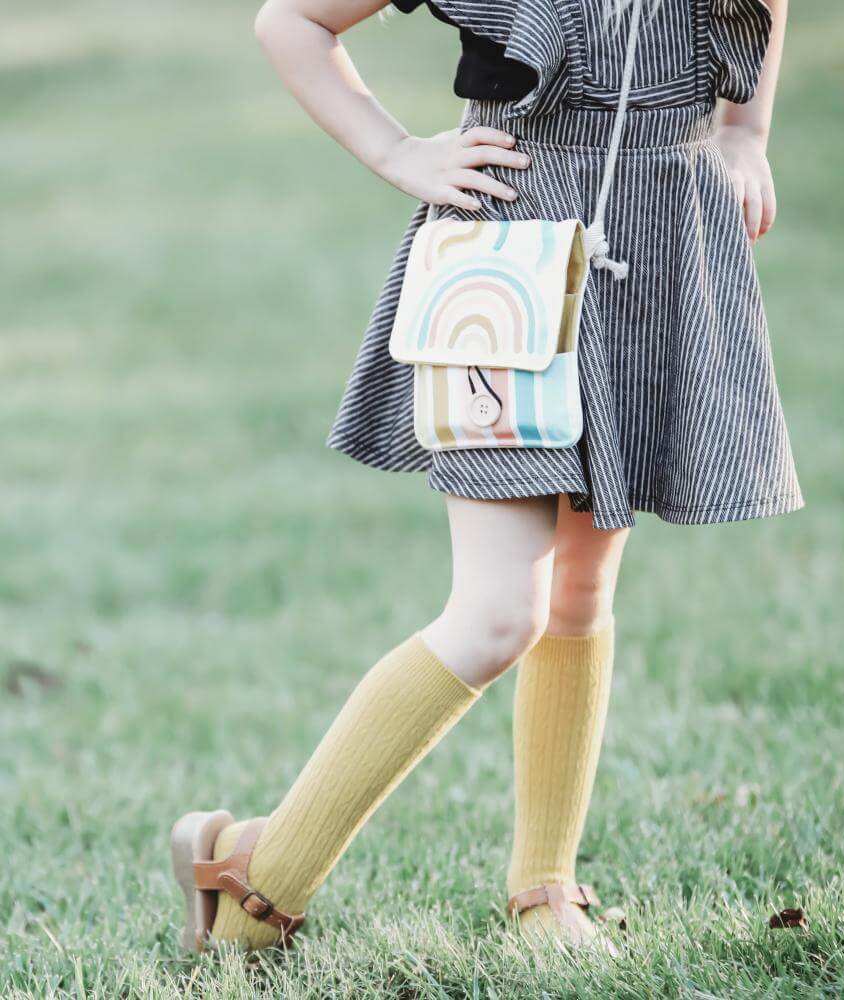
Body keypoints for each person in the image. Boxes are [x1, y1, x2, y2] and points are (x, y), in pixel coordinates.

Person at [170, 0, 801, 953]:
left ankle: (544, 893)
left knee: (582, 594)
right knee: (501, 613)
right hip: (507, 260)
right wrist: (396, 151)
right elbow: (291, 21)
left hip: (656, 248)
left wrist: (747, 133)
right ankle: (259, 882)